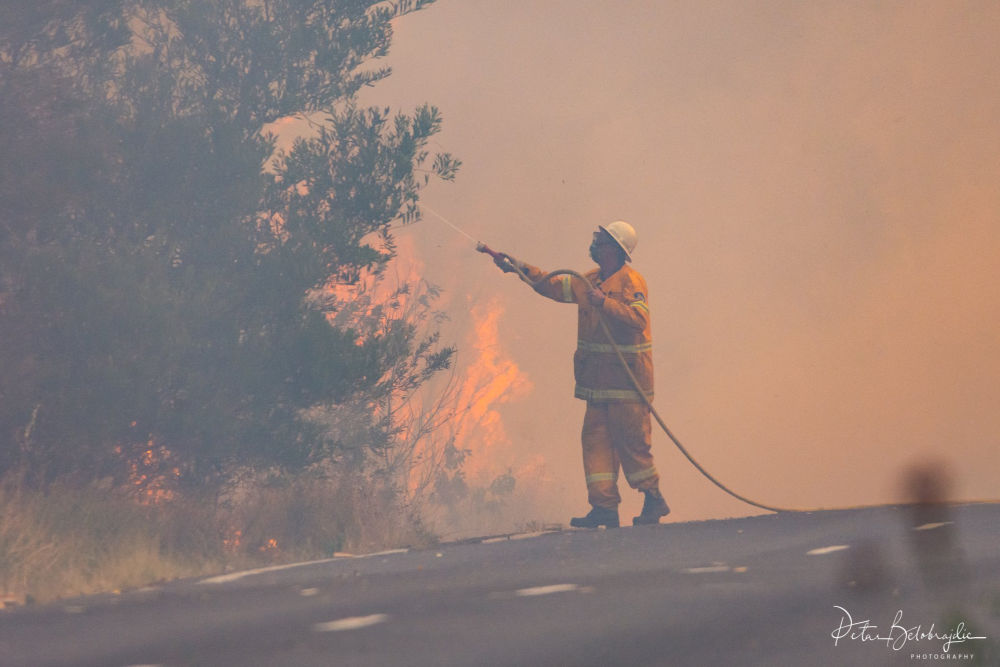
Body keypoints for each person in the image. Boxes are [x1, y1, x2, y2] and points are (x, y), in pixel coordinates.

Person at [480, 221, 670, 528]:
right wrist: (516, 267)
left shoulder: (632, 282)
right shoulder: (588, 280)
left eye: (602, 240)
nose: (595, 243)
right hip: (596, 385)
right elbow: (550, 285)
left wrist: (604, 303)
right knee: (595, 444)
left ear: (615, 249)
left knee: (632, 444)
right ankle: (604, 507)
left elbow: (638, 318)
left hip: (627, 385)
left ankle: (653, 500)